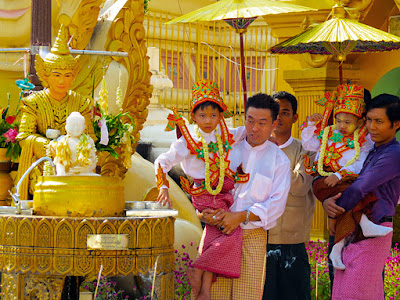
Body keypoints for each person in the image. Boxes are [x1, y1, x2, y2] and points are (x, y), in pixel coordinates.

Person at [154, 79, 249, 300]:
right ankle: (197, 269)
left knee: (213, 241)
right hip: (204, 195)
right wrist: (164, 187)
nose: (208, 120)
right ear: (193, 116)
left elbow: (249, 131)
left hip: (224, 195)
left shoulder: (226, 135)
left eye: (214, 115)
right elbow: (162, 161)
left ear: (220, 116)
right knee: (230, 235)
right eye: (203, 115)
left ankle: (205, 290)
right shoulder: (188, 140)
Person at [199, 93, 291, 300]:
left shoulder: (279, 161)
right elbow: (204, 181)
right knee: (211, 295)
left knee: (246, 296)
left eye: (262, 122)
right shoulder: (225, 149)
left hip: (252, 238)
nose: (254, 128)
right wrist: (204, 211)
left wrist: (240, 216)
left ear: (274, 123)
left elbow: (276, 205)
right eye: (250, 121)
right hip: (218, 230)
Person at [301, 84, 391, 270]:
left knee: (351, 199)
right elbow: (309, 145)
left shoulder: (365, 139)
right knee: (349, 195)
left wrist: (339, 174)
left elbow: (361, 162)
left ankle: (337, 248)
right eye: (339, 120)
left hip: (345, 181)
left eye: (347, 122)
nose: (342, 126)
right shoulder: (328, 132)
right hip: (324, 181)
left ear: (360, 121)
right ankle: (363, 224)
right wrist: (311, 124)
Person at [322, 93, 400, 299]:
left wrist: (334, 215)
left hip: (374, 232)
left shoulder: (393, 154)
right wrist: (328, 201)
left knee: (353, 293)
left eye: (379, 121)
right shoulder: (372, 150)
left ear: (396, 124)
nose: (372, 126)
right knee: (348, 291)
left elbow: (359, 189)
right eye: (369, 120)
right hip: (353, 227)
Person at [16, 24, 95, 199]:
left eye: (67, 75)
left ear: (73, 76)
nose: (62, 81)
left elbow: (90, 136)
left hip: (75, 167)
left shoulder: (80, 103)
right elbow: (23, 137)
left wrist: (73, 146)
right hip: (43, 167)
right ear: (45, 74)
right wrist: (50, 146)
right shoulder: (33, 103)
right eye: (57, 75)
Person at [262, 91, 316, 300]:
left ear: (295, 117)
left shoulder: (306, 150)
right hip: (261, 238)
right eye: (274, 112)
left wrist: (274, 160)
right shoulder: (256, 149)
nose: (278, 118)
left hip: (292, 242)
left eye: (285, 112)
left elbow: (300, 185)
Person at [53, 111, 98, 176]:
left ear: (84, 127)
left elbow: (93, 161)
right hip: (68, 173)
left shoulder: (89, 141)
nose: (76, 128)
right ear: (66, 127)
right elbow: (59, 162)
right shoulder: (63, 142)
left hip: (84, 173)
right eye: (73, 125)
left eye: (79, 125)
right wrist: (61, 173)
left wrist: (84, 169)